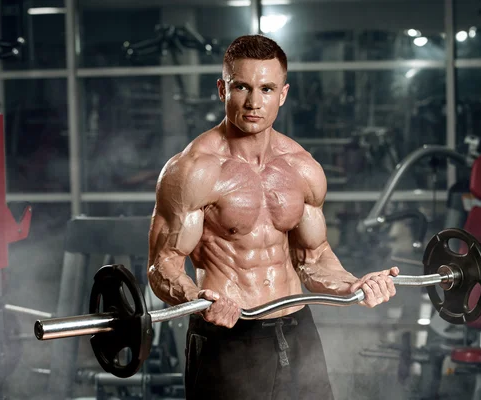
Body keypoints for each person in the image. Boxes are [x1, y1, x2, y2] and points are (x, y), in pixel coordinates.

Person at [147, 34, 399, 400]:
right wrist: (196, 297)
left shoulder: (303, 168)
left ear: (282, 94)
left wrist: (352, 285)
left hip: (298, 330)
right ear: (222, 89)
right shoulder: (194, 170)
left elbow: (312, 259)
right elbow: (162, 266)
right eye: (241, 87)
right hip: (230, 335)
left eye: (266, 89)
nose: (253, 102)